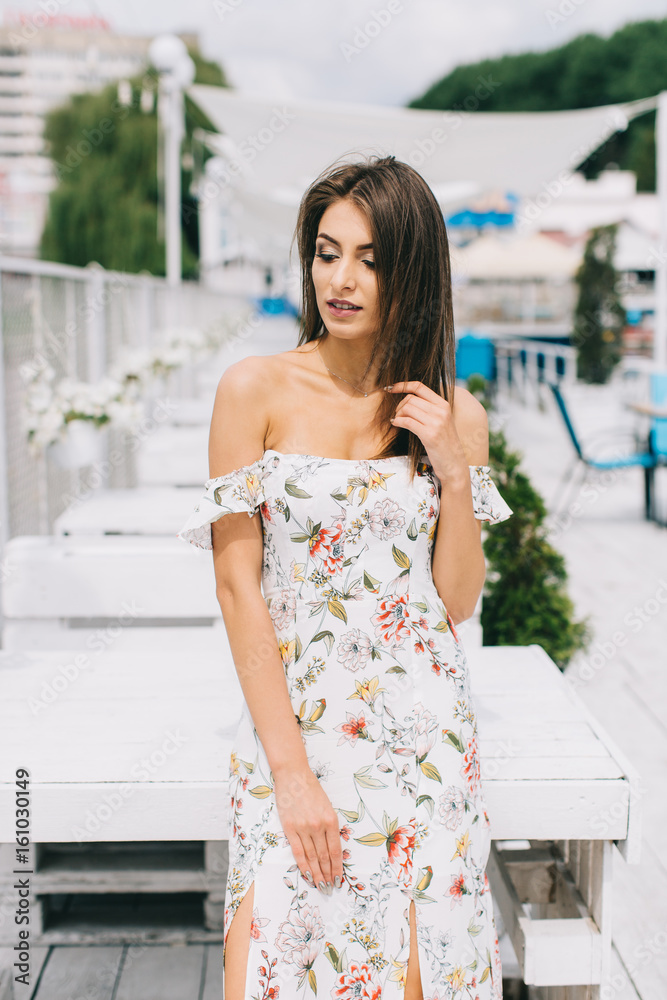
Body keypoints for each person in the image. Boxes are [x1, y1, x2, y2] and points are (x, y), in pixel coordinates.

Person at [177, 154, 513, 1000]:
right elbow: (236, 588)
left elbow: (458, 602)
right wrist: (290, 773)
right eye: (327, 252)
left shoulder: (452, 411)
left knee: (415, 971)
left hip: (423, 737)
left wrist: (452, 469)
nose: (343, 278)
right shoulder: (253, 389)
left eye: (370, 258)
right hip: (301, 726)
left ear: (413, 270)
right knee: (270, 962)